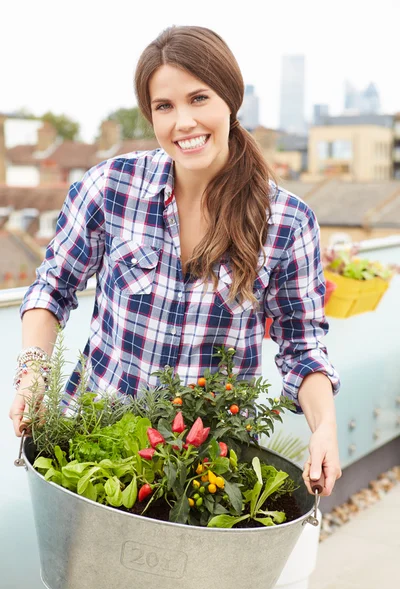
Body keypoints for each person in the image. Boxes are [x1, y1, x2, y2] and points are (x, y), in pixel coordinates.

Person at [9, 25, 341, 496]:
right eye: (164, 106)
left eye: (199, 98)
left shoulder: (287, 221)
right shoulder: (111, 186)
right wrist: (33, 372)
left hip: (202, 471)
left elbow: (302, 347)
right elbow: (52, 287)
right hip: (91, 449)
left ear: (230, 99)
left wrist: (323, 427)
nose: (183, 121)